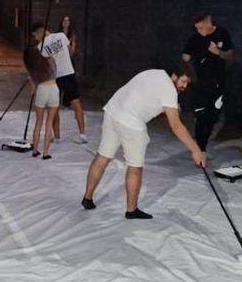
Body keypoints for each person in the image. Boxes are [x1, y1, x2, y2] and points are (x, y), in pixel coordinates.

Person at [81, 62, 206, 219]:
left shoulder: (155, 73)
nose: (185, 86)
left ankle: (87, 198)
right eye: (183, 81)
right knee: (135, 167)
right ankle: (131, 210)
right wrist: (195, 150)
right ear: (174, 75)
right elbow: (176, 125)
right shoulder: (169, 89)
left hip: (113, 111)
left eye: (187, 83)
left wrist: (169, 107)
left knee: (102, 157)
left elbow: (145, 97)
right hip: (131, 123)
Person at [181, 13, 234, 152]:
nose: (198, 31)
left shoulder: (222, 33)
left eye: (200, 28)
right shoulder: (194, 39)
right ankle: (200, 147)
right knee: (201, 115)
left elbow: (230, 54)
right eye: (196, 28)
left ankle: (203, 143)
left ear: (208, 24)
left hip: (218, 82)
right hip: (201, 83)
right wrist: (188, 67)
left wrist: (217, 52)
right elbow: (185, 57)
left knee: (213, 116)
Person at [46, 15, 87, 143]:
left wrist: (70, 44)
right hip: (56, 75)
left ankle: (82, 134)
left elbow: (70, 53)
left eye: (68, 20)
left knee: (76, 103)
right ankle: (56, 135)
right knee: (54, 105)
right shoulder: (54, 38)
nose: (65, 22)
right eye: (64, 20)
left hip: (68, 73)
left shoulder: (67, 37)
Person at [25, 23, 59, 159]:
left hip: (42, 90)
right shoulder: (51, 60)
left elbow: (32, 84)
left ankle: (34, 150)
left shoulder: (34, 66)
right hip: (54, 89)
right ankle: (45, 153)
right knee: (49, 122)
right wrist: (48, 35)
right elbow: (52, 45)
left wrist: (32, 91)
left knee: (39, 122)